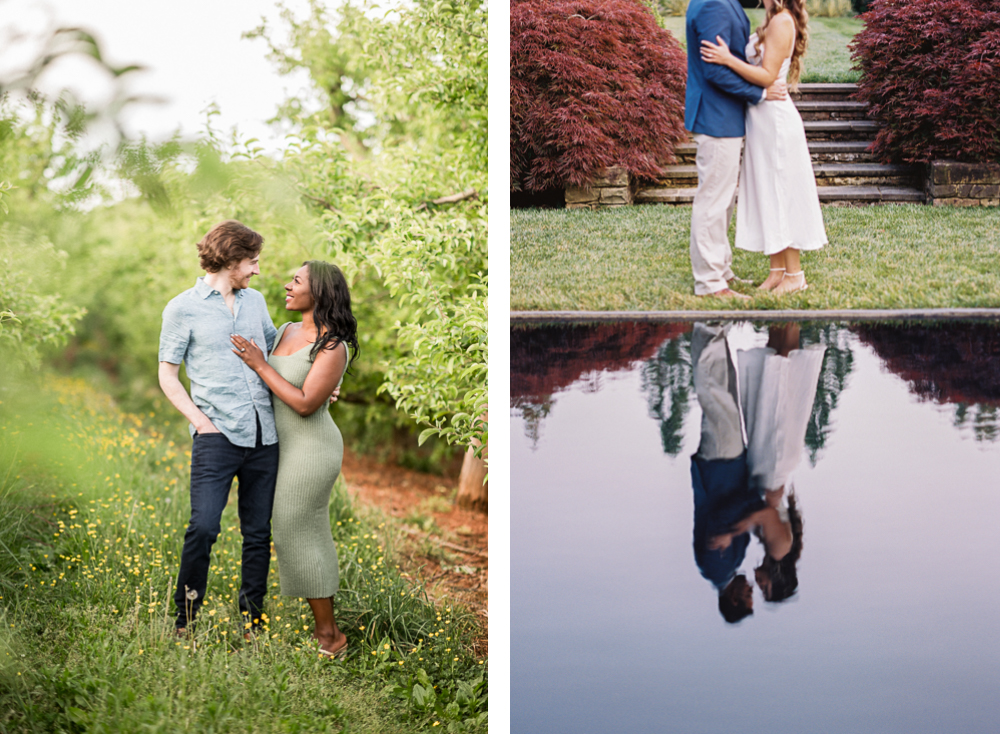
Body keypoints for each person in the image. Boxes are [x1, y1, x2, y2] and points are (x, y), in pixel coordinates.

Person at [230, 260, 359, 658]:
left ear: (318, 292)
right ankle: (329, 632)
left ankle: (330, 637)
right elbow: (273, 383)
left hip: (312, 447)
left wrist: (261, 363)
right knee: (301, 531)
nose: (287, 285)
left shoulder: (334, 345)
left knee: (293, 528)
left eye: (296, 281)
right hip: (280, 445)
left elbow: (304, 404)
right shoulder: (284, 331)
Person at [158, 220, 279, 638]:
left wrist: (326, 379)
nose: (257, 270)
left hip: (265, 435)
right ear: (230, 258)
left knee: (258, 533)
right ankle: (185, 621)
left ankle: (253, 623)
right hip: (216, 436)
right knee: (204, 526)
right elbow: (168, 375)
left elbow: (276, 353)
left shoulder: (256, 302)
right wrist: (201, 423)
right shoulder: (181, 308)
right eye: (252, 261)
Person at [700, 0, 828, 295]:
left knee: (782, 193)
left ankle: (795, 276)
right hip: (761, 121)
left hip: (776, 124)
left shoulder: (783, 21)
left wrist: (727, 59)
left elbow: (768, 77)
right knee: (769, 193)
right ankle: (777, 271)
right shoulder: (774, 19)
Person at [685, 0, 788, 299]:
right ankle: (709, 283)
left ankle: (722, 270)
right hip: (715, 116)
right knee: (713, 200)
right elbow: (714, 70)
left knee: (722, 200)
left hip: (725, 117)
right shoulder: (713, 5)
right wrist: (760, 92)